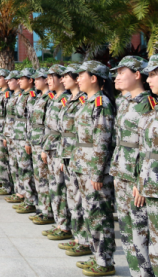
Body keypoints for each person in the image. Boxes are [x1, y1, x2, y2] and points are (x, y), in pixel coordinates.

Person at [109, 56, 153, 277]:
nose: (117, 77)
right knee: (126, 232)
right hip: (122, 172)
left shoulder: (149, 104)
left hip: (136, 176)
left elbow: (148, 146)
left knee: (140, 233)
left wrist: (141, 180)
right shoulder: (124, 101)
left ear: (137, 75)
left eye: (121, 72)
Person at [73, 61, 116, 276]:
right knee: (90, 213)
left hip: (94, 169)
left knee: (99, 215)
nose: (78, 79)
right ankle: (97, 255)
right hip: (84, 165)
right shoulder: (88, 101)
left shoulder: (101, 102)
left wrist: (97, 173)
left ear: (94, 78)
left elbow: (102, 139)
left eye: (81, 75)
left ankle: (105, 261)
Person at [57, 64, 91, 257]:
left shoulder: (83, 100)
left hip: (77, 154)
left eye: (66, 76)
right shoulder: (69, 99)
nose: (63, 80)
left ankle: (83, 239)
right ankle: (78, 237)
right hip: (68, 153)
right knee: (72, 197)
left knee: (79, 199)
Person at [41, 65, 72, 241]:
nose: (48, 81)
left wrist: (61, 154)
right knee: (54, 186)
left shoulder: (66, 99)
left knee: (60, 187)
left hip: (59, 148)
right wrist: (45, 148)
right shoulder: (54, 98)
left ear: (61, 79)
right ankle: (60, 223)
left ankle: (65, 225)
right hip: (51, 146)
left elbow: (66, 130)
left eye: (51, 77)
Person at [137, 54, 158, 276]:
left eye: (153, 74)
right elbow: (147, 151)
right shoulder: (155, 109)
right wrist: (141, 182)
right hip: (152, 187)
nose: (148, 79)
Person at [11, 68, 39, 215]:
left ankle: (31, 201)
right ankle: (24, 196)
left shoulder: (32, 96)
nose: (19, 81)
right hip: (19, 135)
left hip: (25, 137)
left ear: (30, 80)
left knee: (27, 169)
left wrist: (28, 140)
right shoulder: (23, 95)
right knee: (21, 168)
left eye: (22, 78)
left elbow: (31, 119)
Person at [29, 68, 55, 225]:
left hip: (43, 141)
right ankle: (42, 207)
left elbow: (48, 124)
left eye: (38, 79)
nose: (35, 81)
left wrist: (45, 146)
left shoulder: (50, 98)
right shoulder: (39, 97)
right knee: (38, 175)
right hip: (36, 140)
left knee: (44, 177)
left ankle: (47, 211)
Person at [3, 71, 23, 203]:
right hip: (12, 133)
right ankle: (17, 190)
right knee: (14, 164)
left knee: (20, 166)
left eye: (11, 80)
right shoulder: (14, 96)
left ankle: (22, 193)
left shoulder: (23, 96)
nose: (8, 82)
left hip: (19, 135)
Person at [0, 69, 13, 196]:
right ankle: (1, 179)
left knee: (3, 157)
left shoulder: (7, 94)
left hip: (3, 128)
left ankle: (6, 184)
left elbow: (8, 115)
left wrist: (6, 132)